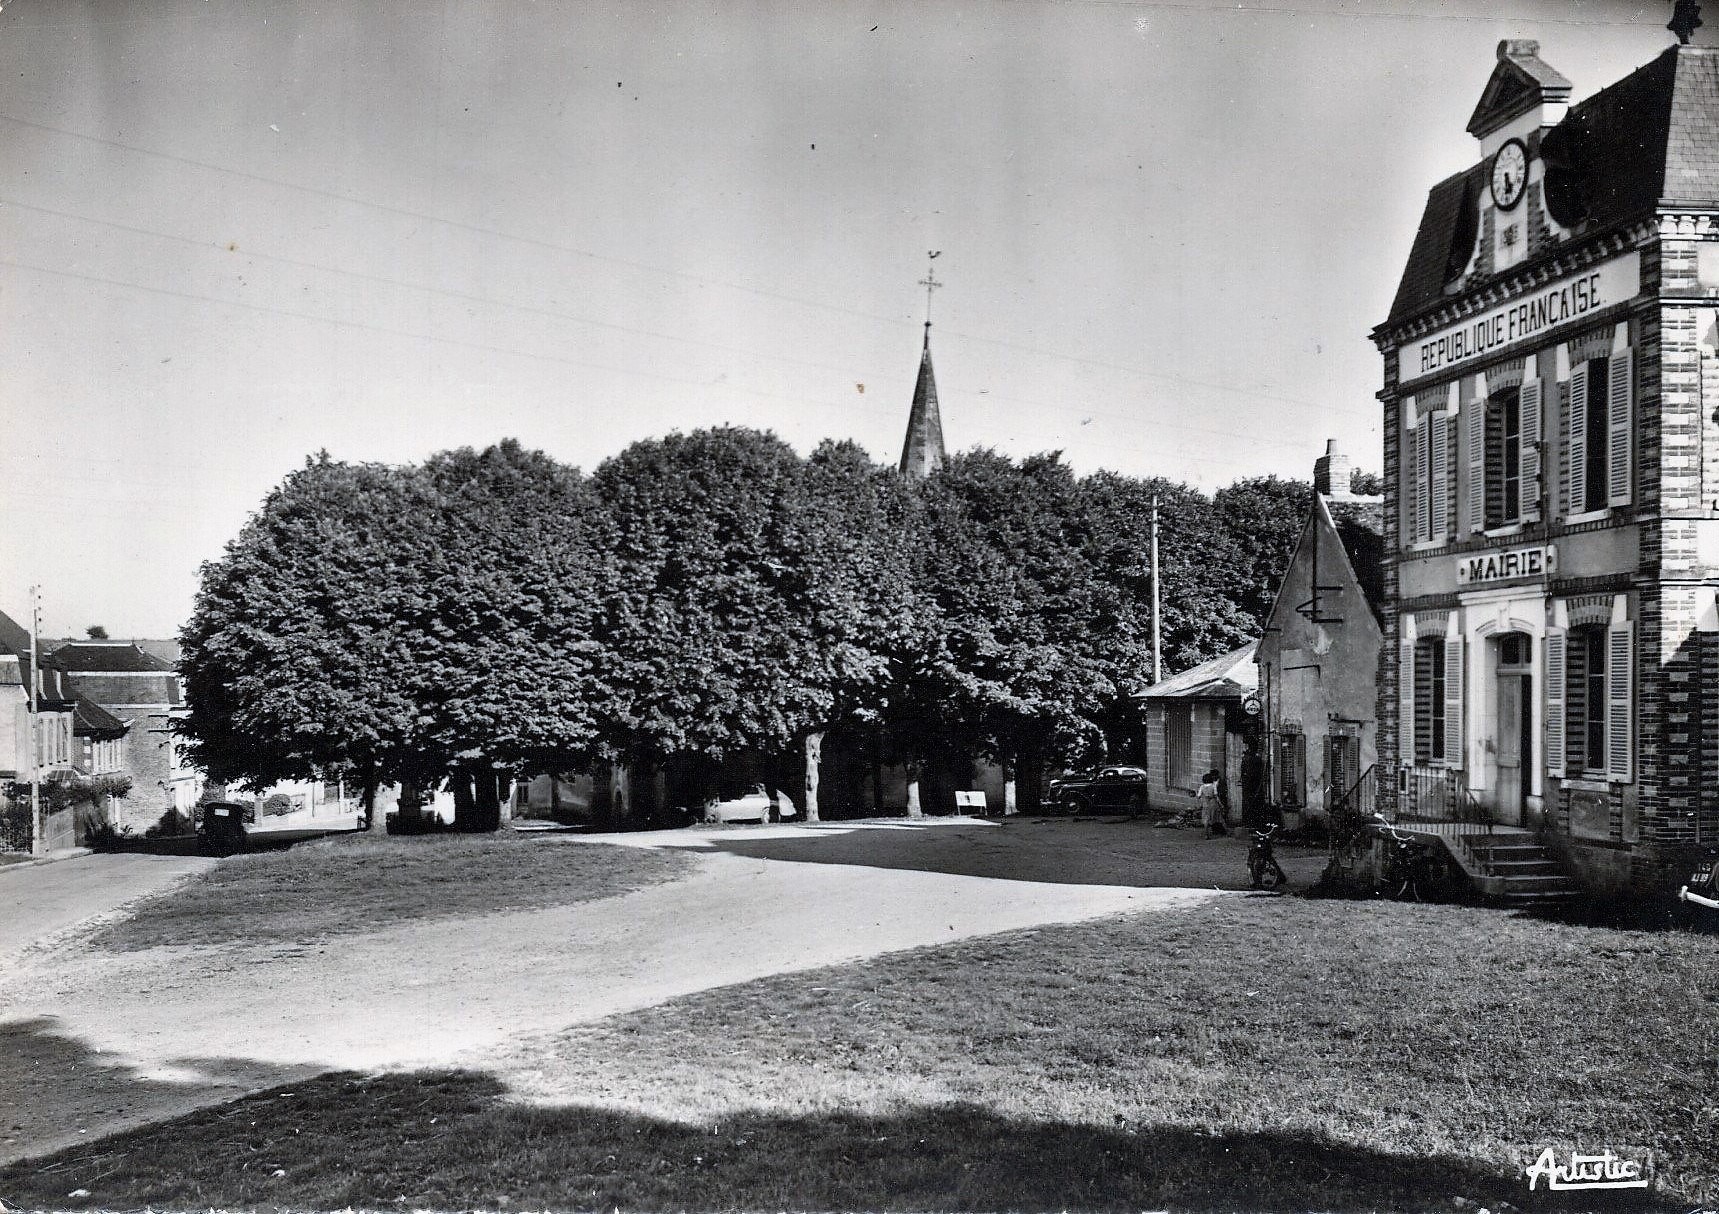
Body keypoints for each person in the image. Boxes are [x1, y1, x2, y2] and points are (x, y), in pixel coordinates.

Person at [1196, 769, 1226, 837]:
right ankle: (1226, 832)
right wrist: (1221, 805)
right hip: (1213, 803)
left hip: (1205, 803)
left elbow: (1198, 796)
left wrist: (1201, 802)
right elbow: (1216, 796)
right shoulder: (1213, 786)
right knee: (1219, 817)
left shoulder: (1202, 787)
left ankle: (1206, 834)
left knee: (1206, 819)